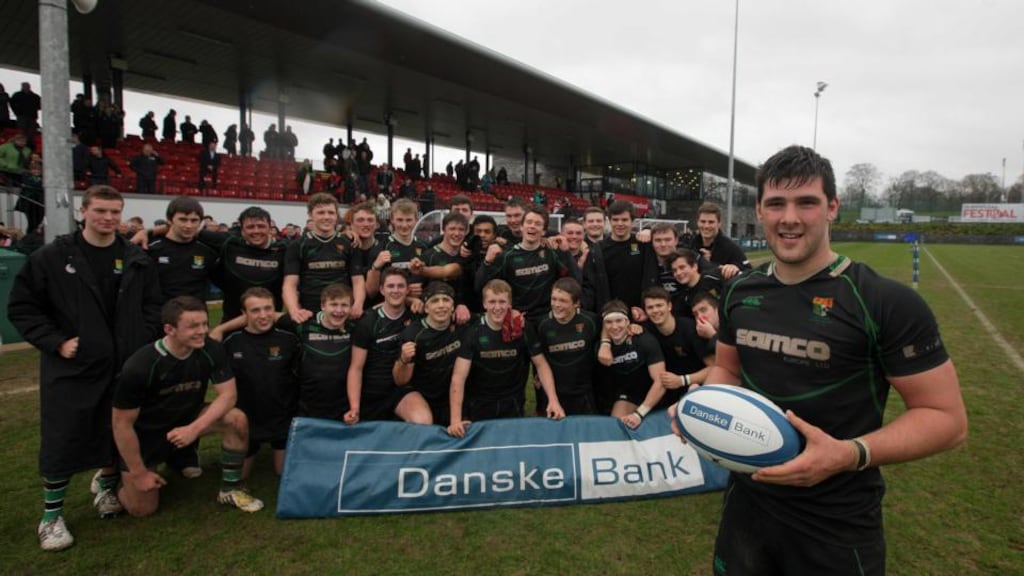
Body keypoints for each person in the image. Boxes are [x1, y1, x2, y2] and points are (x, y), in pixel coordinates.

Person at [674, 145, 967, 575]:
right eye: (776, 203)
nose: (789, 217)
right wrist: (702, 409)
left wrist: (849, 454)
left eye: (806, 202)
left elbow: (947, 419)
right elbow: (727, 369)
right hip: (747, 507)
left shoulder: (884, 301)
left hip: (836, 523)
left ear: (832, 207)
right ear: (759, 210)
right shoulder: (740, 292)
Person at [8, 186, 163, 551]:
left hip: (124, 365)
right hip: (73, 368)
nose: (108, 218)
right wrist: (56, 341)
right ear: (84, 211)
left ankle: (107, 488)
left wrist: (142, 337)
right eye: (101, 211)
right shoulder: (51, 257)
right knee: (64, 438)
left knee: (116, 429)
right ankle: (51, 516)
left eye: (115, 212)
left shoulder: (135, 258)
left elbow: (154, 305)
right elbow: (23, 308)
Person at [112, 296, 264, 517]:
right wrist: (138, 473)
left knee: (236, 418)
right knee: (142, 509)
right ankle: (114, 483)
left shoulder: (210, 350)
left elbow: (228, 396)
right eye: (193, 326)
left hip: (187, 421)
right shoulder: (141, 365)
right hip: (147, 434)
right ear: (169, 329)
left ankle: (230, 489)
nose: (202, 331)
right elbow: (121, 424)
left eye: (204, 324)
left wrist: (194, 428)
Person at [448, 279, 564, 438]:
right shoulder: (473, 331)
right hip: (480, 404)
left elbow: (541, 364)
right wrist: (455, 420)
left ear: (510, 304)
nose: (497, 307)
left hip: (513, 402)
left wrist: (553, 400)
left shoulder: (522, 327)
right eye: (492, 302)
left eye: (502, 302)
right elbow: (458, 378)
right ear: (484, 304)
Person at [214, 288, 299, 477]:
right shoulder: (231, 343)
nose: (263, 315)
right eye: (255, 310)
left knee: (283, 473)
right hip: (247, 419)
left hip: (282, 419)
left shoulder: (290, 339)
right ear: (244, 314)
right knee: (239, 476)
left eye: (268, 309)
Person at [344, 267, 432, 424]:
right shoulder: (367, 322)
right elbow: (356, 368)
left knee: (423, 421)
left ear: (407, 290)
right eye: (391, 286)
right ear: (382, 290)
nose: (396, 290)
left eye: (400, 286)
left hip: (401, 390)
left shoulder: (417, 316)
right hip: (372, 392)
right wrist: (354, 407)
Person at [282, 193, 364, 323]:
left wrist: (358, 304)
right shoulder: (298, 245)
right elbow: (289, 284)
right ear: (310, 214)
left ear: (336, 216)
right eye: (321, 212)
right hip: (310, 312)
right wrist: (294, 310)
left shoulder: (349, 243)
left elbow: (358, 280)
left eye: (331, 213)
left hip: (343, 311)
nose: (326, 217)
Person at [393, 281, 466, 425]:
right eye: (435, 301)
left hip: (450, 393)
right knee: (423, 422)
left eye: (446, 300)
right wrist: (404, 360)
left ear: (453, 306)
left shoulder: (462, 324)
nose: (441, 305)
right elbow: (400, 381)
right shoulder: (413, 334)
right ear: (426, 308)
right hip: (419, 393)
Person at [526, 277, 602, 415]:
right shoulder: (541, 325)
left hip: (584, 393)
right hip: (553, 393)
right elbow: (537, 356)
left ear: (576, 303)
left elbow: (607, 333)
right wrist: (536, 375)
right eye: (554, 299)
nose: (556, 304)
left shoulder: (591, 321)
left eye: (563, 301)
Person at [641, 286, 712, 409]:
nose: (655, 310)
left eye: (659, 305)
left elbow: (714, 367)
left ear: (669, 306)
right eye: (650, 307)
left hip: (696, 388)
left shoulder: (690, 328)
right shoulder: (645, 330)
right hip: (666, 391)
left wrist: (682, 380)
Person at [690, 201, 751, 280]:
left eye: (711, 222)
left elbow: (749, 273)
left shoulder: (730, 247)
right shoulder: (691, 245)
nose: (706, 226)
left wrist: (735, 268)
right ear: (697, 222)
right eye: (703, 221)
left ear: (719, 223)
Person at [667, 249, 723, 318]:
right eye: (674, 270)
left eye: (682, 267)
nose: (678, 273)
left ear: (694, 266)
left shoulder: (714, 277)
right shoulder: (684, 298)